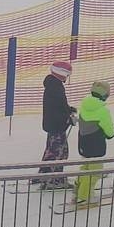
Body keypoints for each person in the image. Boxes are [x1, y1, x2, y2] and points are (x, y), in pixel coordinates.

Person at [74, 81, 114, 205]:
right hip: (96, 146)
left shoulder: (84, 104)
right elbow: (109, 131)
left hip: (83, 143)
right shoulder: (103, 111)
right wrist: (112, 133)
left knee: (85, 168)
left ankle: (78, 190)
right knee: (95, 173)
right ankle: (84, 197)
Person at [36, 60, 74, 188]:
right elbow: (57, 109)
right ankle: (54, 181)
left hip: (53, 125)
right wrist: (67, 118)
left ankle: (43, 175)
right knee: (59, 153)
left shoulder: (53, 85)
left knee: (51, 150)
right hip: (57, 125)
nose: (67, 77)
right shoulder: (56, 88)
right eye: (67, 74)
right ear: (61, 73)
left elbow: (60, 105)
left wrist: (68, 110)